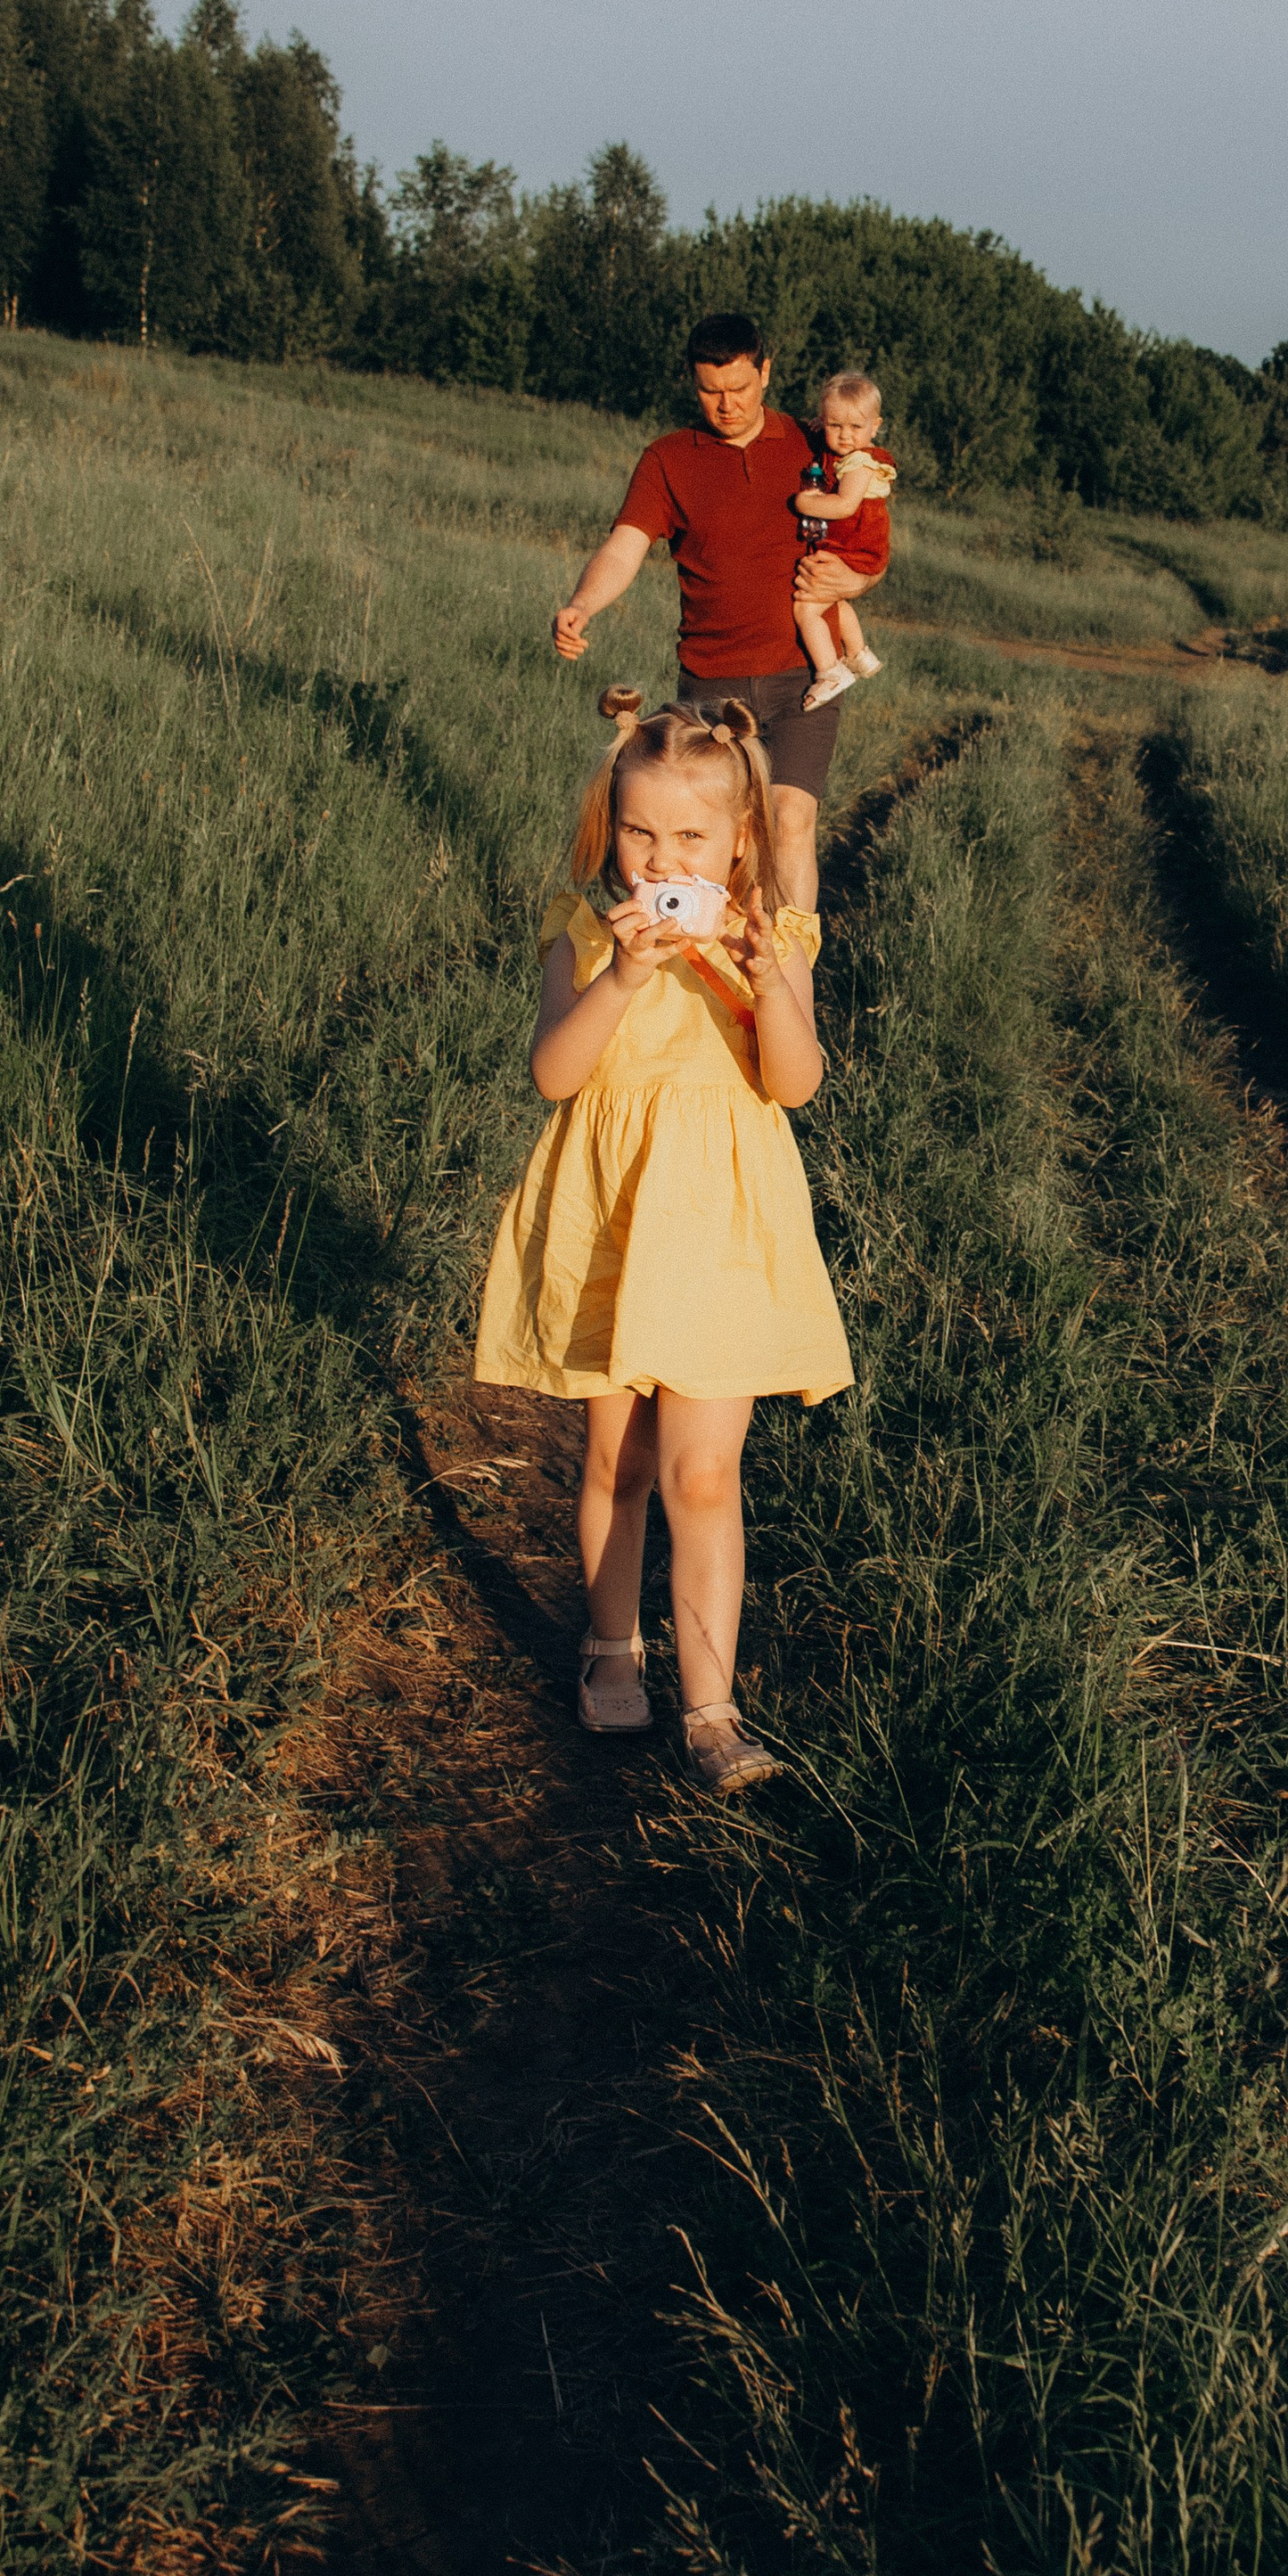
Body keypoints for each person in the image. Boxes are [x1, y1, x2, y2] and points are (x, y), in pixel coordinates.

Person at [473, 689, 850, 1792]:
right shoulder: (587, 934)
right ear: (612, 829)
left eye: (689, 837)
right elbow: (555, 1076)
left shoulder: (774, 938)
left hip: (724, 1228)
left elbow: (795, 1083)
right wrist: (625, 976)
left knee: (704, 1473)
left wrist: (766, 979)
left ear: (738, 841)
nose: (661, 858)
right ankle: (609, 1648)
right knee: (619, 1460)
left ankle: (711, 1708)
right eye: (640, 832)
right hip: (615, 1220)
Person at [553, 316, 838, 913]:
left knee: (790, 819)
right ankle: (715, 963)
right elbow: (625, 546)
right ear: (692, 381)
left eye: (739, 388)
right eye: (711, 391)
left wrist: (860, 578)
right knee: (716, 843)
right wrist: (582, 604)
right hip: (712, 685)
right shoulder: (669, 459)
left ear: (765, 372)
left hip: (803, 679)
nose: (727, 405)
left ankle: (791, 964)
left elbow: (869, 531)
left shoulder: (811, 444)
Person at [792, 370, 896, 710]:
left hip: (856, 547)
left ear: (875, 426)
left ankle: (830, 672)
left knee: (806, 608)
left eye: (855, 427)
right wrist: (819, 427)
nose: (845, 435)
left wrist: (803, 502)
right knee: (833, 600)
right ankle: (859, 653)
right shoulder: (841, 448)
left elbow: (844, 505)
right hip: (855, 546)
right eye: (834, 425)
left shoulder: (861, 462)